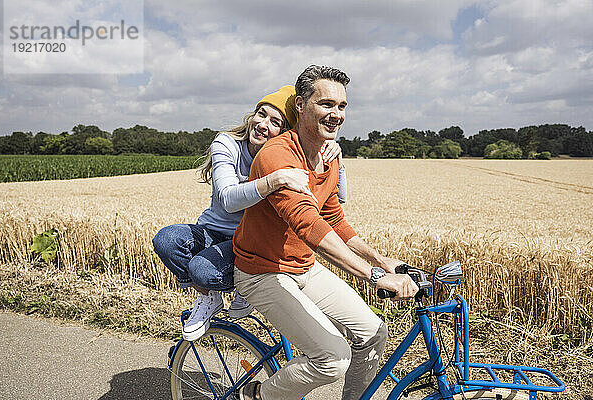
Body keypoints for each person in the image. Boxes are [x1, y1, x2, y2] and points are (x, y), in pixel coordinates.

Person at [233, 66, 419, 400]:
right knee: (333, 359)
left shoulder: (328, 156)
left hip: (304, 268)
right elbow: (307, 223)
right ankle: (256, 396)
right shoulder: (276, 156)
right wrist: (373, 276)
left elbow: (333, 218)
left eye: (342, 106)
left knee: (374, 333)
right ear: (301, 105)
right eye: (327, 104)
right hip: (262, 272)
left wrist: (381, 260)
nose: (336, 114)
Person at [152, 85, 348, 341]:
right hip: (214, 231)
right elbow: (228, 200)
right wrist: (274, 180)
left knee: (202, 268)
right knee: (166, 239)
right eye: (261, 113)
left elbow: (339, 198)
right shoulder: (228, 143)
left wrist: (338, 162)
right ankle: (208, 297)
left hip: (251, 242)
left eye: (275, 121)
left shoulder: (285, 156)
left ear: (287, 131)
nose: (262, 124)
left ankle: (245, 287)